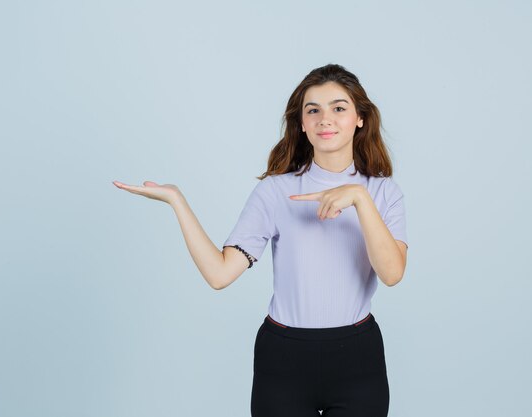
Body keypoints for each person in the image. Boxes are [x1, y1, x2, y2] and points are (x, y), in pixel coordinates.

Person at [113, 63, 408, 417]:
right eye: (312, 110)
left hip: (357, 357)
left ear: (360, 117)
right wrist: (178, 201)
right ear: (301, 123)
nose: (324, 119)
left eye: (338, 108)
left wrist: (359, 199)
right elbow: (219, 275)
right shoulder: (274, 192)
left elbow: (392, 274)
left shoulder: (384, 193)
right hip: (283, 359)